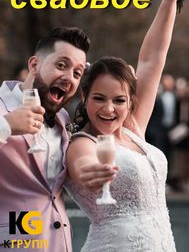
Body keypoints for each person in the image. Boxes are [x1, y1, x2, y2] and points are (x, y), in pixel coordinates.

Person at [66, 0, 189, 252]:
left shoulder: (133, 128)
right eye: (99, 98)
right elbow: (82, 164)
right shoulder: (81, 142)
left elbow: (152, 58)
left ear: (129, 101)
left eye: (119, 100)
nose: (109, 109)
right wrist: (90, 173)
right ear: (84, 96)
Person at [0, 27, 117, 252]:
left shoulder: (63, 119)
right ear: (34, 65)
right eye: (61, 65)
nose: (68, 77)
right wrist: (7, 125)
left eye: (77, 72)